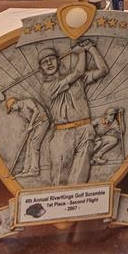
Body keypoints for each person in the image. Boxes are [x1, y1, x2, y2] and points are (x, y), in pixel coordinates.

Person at [38, 39, 110, 184]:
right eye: (45, 62)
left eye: (51, 59)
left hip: (85, 130)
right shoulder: (46, 87)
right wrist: (81, 53)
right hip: (63, 133)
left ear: (58, 61)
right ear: (41, 68)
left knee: (80, 177)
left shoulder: (78, 80)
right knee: (59, 178)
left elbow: (103, 70)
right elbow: (78, 71)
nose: (49, 63)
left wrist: (91, 49)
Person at [2, 93, 50, 179]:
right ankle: (26, 170)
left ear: (15, 103)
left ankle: (34, 170)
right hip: (35, 124)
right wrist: (29, 126)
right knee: (28, 145)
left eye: (12, 108)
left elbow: (37, 111)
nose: (12, 110)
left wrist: (31, 124)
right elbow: (28, 120)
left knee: (34, 144)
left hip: (43, 121)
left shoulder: (27, 102)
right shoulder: (20, 112)